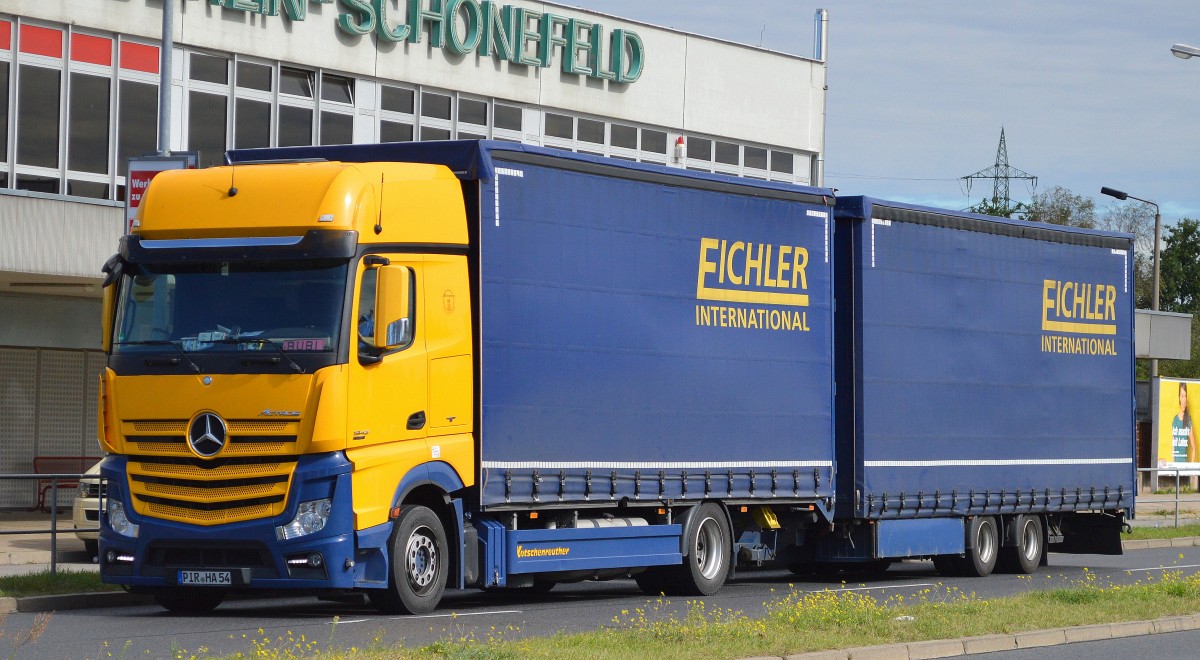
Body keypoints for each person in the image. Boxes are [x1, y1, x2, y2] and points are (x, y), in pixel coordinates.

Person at [1171, 381, 1197, 463]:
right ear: (1179, 397)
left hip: (1184, 467)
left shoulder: (1188, 420)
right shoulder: (1175, 420)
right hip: (1175, 466)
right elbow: (1173, 446)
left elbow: (1194, 448)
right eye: (1182, 396)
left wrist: (1191, 468)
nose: (1184, 399)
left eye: (1185, 396)